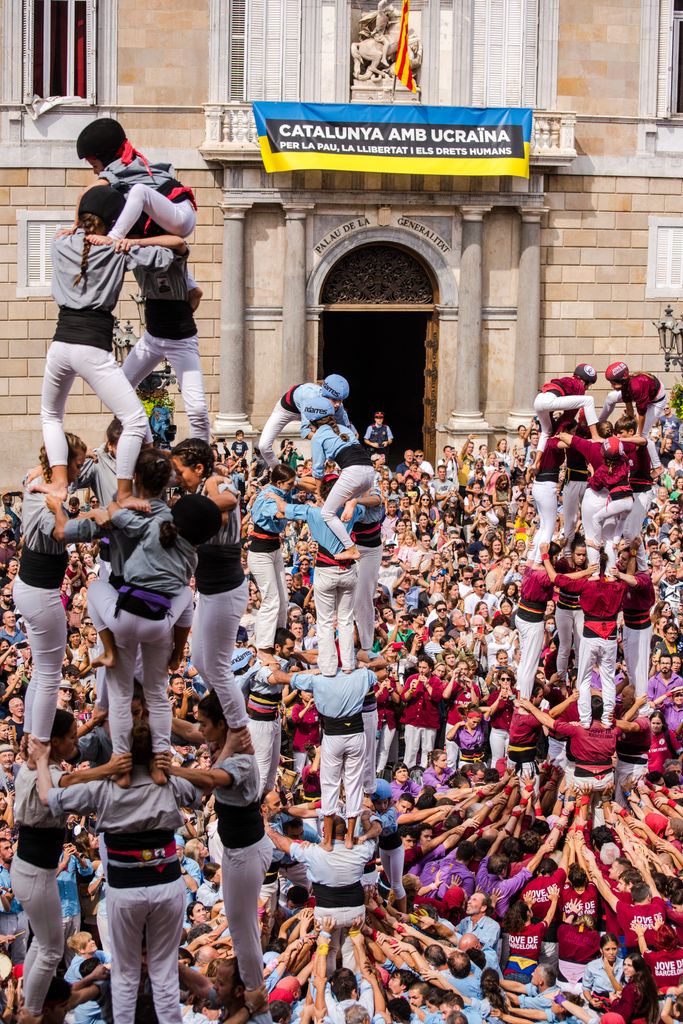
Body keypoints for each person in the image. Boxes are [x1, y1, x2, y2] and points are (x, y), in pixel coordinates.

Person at [35, 721, 204, 1024]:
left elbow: (50, 799)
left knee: (126, 973)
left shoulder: (102, 788)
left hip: (126, 891)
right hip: (167, 886)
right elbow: (200, 791)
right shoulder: (169, 782)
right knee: (164, 973)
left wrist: (41, 759)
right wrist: (172, 769)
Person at [81, 454, 222, 780]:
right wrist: (176, 654)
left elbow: (116, 516)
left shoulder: (150, 530)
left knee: (94, 587)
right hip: (159, 628)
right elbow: (184, 608)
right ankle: (160, 766)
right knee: (158, 699)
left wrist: (113, 509)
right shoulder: (188, 555)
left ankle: (123, 768)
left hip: (123, 623)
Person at [41, 185, 182, 505]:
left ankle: (59, 483)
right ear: (115, 221)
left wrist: (79, 223)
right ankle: (123, 493)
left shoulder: (59, 241)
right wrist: (132, 239)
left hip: (60, 344)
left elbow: (82, 204)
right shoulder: (119, 249)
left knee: (51, 415)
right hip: (92, 347)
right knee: (133, 420)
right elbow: (171, 250)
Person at [12, 711, 128, 1021]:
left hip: (32, 870)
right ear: (57, 741)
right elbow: (72, 779)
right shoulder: (46, 772)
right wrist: (110, 767)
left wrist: (90, 724)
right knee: (51, 949)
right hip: (35, 872)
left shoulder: (34, 762)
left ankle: (31, 1003)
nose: (77, 741)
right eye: (73, 736)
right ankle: (32, 1013)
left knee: (43, 943)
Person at [169, 690, 271, 1009]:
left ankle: (253, 994)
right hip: (237, 849)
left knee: (242, 928)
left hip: (246, 853)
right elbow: (187, 731)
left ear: (222, 724)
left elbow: (211, 779)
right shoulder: (222, 739)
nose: (200, 728)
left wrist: (169, 770)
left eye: (205, 723)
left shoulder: (239, 757)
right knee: (239, 922)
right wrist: (150, 713)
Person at [171, 439, 250, 735]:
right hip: (209, 590)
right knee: (202, 661)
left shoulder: (217, 481)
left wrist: (182, 509)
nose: (179, 477)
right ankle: (225, 716)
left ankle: (240, 733)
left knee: (216, 667)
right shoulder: (201, 489)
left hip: (225, 590)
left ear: (199, 468)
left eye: (181, 470)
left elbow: (229, 503)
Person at [12, 434, 87, 743]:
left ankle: (32, 734)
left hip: (31, 589)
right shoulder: (47, 501)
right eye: (78, 463)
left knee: (45, 673)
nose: (81, 470)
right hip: (42, 595)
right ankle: (38, 741)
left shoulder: (38, 477)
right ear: (63, 464)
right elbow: (62, 531)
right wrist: (60, 507)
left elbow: (30, 474)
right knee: (48, 676)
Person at [75, 117, 197, 244]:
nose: (95, 172)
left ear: (105, 158)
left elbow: (84, 194)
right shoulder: (131, 163)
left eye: (94, 165)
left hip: (181, 215)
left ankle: (114, 236)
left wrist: (76, 227)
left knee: (139, 191)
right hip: (178, 218)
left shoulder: (118, 168)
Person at [304, 398, 376, 562]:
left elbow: (318, 470)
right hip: (369, 470)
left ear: (312, 421)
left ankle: (351, 549)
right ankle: (352, 501)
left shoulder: (317, 437)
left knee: (327, 513)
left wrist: (319, 493)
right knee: (345, 504)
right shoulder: (344, 428)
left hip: (353, 472)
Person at [257, 375, 354, 470]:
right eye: (334, 400)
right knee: (263, 446)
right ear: (325, 395)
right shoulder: (309, 397)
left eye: (341, 401)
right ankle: (279, 473)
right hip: (286, 411)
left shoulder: (339, 408)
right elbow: (305, 432)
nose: (338, 404)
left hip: (312, 412)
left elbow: (348, 435)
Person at [532, 364, 600, 457]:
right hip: (549, 401)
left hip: (538, 400)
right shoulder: (579, 386)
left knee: (546, 432)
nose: (587, 388)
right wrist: (560, 431)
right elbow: (569, 415)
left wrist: (555, 431)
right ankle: (595, 436)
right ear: (584, 381)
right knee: (588, 400)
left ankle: (537, 462)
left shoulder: (567, 380)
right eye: (589, 385)